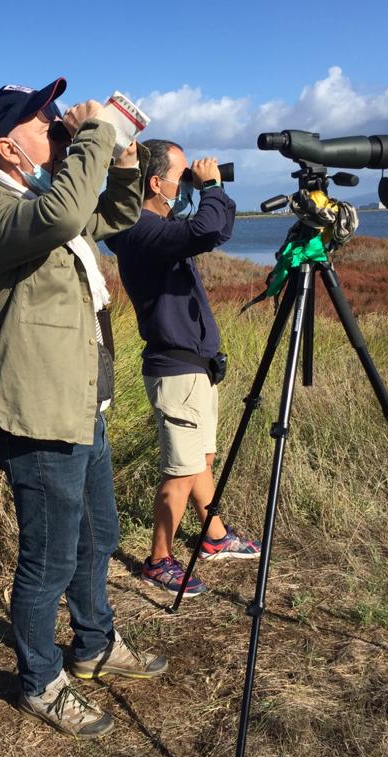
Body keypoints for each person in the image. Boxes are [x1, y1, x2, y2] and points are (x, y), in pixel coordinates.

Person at [0, 79, 166, 738]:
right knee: (47, 558)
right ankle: (41, 680)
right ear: (6, 146)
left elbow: (113, 216)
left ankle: (95, 644)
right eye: (38, 118)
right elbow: (68, 218)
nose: (52, 122)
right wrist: (96, 131)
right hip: (39, 413)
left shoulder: (46, 200)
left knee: (98, 535)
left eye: (53, 113)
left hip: (82, 402)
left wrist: (124, 158)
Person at [106, 139, 261, 597]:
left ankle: (213, 536)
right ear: (155, 183)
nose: (185, 184)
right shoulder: (138, 229)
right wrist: (211, 186)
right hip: (176, 369)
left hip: (194, 365)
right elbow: (208, 231)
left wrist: (207, 189)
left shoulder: (159, 227)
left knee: (201, 459)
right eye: (179, 176)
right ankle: (159, 560)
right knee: (179, 469)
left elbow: (214, 226)